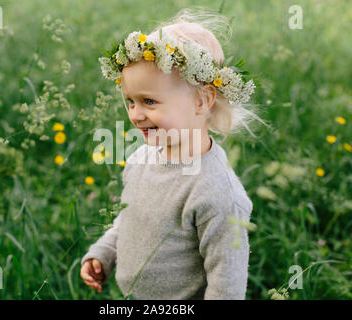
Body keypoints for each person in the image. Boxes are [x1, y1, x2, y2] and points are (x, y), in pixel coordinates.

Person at [80, 7, 260, 299]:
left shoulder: (215, 192)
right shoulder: (142, 159)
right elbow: (129, 220)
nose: (136, 115)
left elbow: (227, 282)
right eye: (130, 102)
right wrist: (104, 252)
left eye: (149, 101)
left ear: (202, 100)